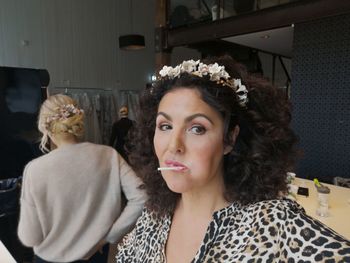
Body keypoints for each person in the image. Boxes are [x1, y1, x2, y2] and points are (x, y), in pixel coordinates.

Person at [116, 57, 350, 262]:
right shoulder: (152, 217)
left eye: (197, 128)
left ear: (229, 139)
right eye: (165, 126)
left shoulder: (275, 224)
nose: (173, 146)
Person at [17, 94, 146, 263]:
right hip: (95, 254)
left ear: (45, 127)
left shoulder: (34, 169)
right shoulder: (109, 155)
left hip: (49, 258)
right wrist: (109, 237)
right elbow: (142, 196)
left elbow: (29, 238)